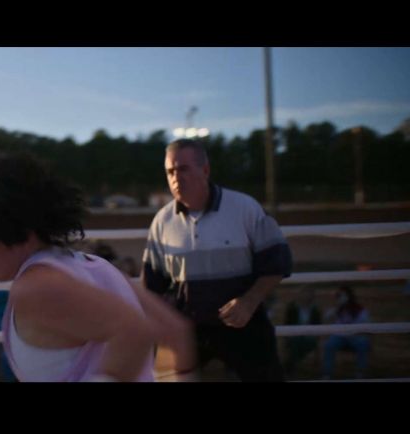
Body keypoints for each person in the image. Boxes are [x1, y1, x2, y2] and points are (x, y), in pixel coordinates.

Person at [0, 150, 195, 382]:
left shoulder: (35, 287)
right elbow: (175, 330)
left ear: (16, 229)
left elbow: (134, 331)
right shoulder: (97, 266)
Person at [142, 138, 292, 382]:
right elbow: (152, 284)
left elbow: (277, 263)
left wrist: (249, 302)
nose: (176, 178)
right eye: (170, 171)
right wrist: (161, 326)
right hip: (187, 328)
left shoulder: (245, 208)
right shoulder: (162, 221)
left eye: (183, 169)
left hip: (243, 324)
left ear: (205, 170)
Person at [322, 286, 370, 379]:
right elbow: (326, 317)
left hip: (355, 336)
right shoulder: (337, 309)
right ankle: (327, 374)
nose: (342, 298)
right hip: (339, 336)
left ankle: (361, 373)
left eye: (344, 296)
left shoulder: (359, 309)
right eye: (339, 296)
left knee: (363, 344)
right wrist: (336, 308)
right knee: (328, 345)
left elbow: (366, 325)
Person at [282, 288, 322, 377]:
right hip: (295, 335)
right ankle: (292, 368)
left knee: (300, 344)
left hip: (310, 337)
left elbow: (318, 326)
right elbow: (287, 323)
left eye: (308, 294)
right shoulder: (292, 308)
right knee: (295, 342)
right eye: (304, 294)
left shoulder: (315, 310)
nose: (306, 296)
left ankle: (290, 366)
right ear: (300, 295)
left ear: (312, 296)